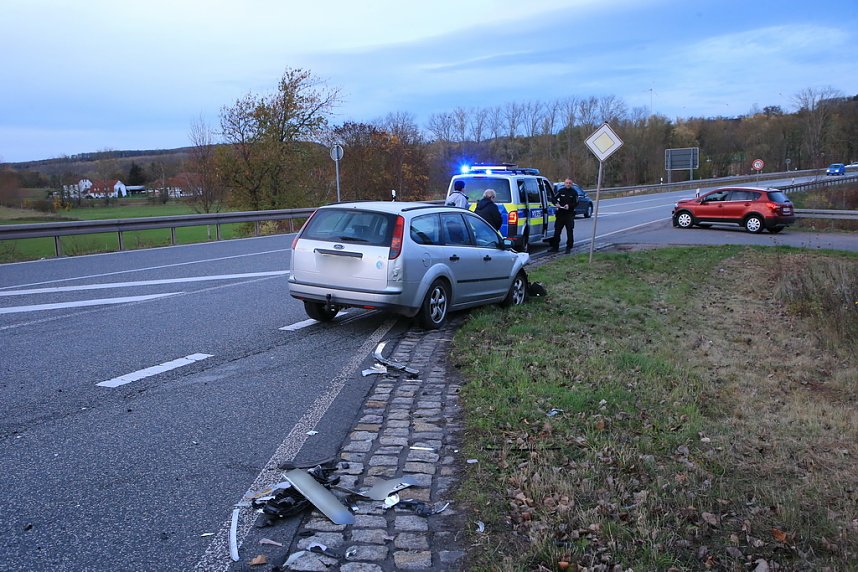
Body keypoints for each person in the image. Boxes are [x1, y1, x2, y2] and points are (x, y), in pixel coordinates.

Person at [550, 178, 579, 253]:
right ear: (564, 184)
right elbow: (553, 199)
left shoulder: (574, 192)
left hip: (569, 215)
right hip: (560, 214)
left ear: (571, 184)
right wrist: (556, 204)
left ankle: (569, 247)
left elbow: (576, 203)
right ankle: (555, 247)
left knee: (569, 231)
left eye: (569, 183)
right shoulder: (561, 191)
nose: (568, 184)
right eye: (567, 183)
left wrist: (569, 205)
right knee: (557, 231)